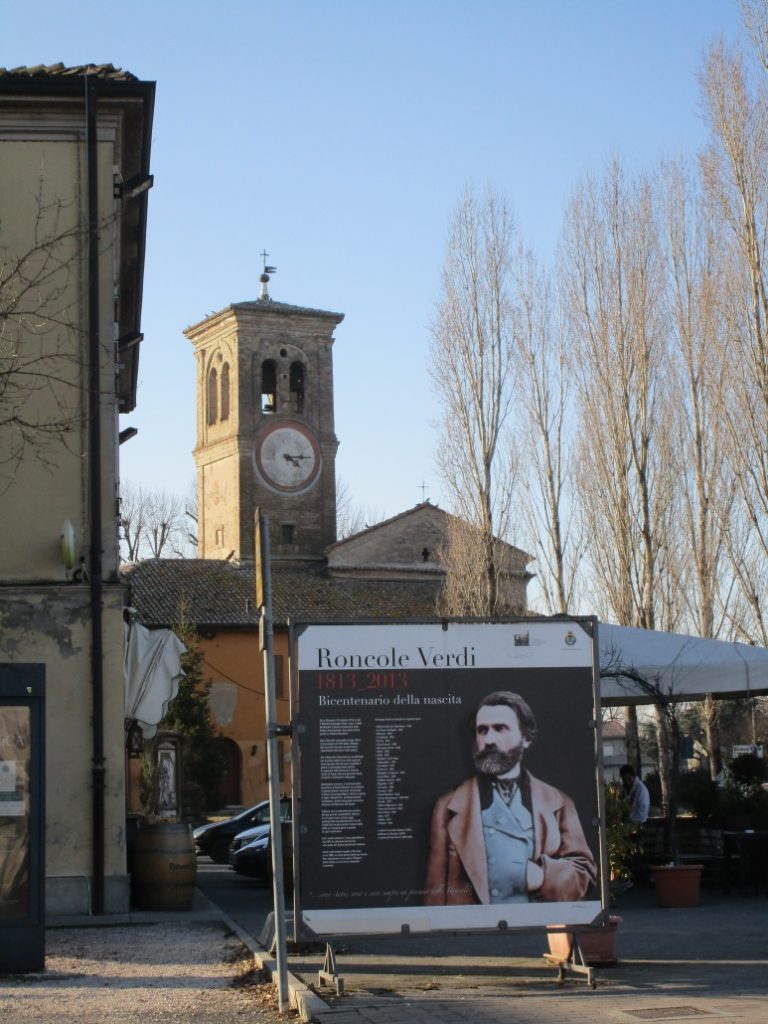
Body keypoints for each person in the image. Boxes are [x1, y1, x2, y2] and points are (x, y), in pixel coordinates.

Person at [423, 691, 597, 905]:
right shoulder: (448, 806)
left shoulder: (558, 802)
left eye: (500, 728)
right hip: (475, 931)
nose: (488, 740)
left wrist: (542, 876)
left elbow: (585, 873)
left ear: (526, 738)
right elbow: (435, 892)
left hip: (534, 927)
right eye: (482, 730)